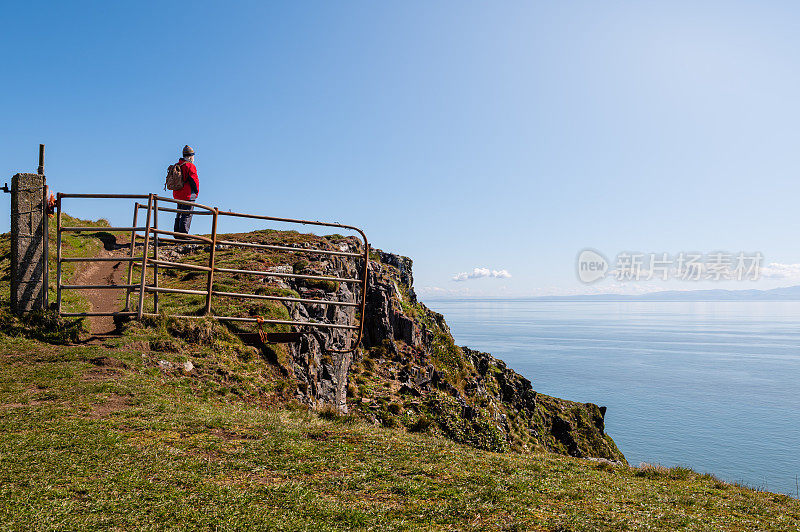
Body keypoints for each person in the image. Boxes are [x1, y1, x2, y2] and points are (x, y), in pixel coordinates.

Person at [172, 145, 199, 237]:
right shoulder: (190, 166)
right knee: (187, 214)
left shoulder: (178, 165)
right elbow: (194, 180)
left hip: (177, 194)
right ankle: (183, 235)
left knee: (179, 214)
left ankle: (176, 233)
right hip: (188, 194)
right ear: (191, 156)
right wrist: (196, 192)